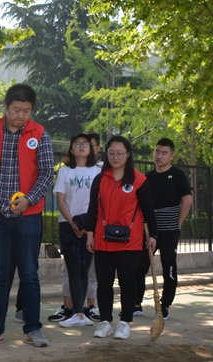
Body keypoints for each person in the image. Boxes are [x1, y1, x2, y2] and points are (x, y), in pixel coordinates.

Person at [0, 83, 54, 347]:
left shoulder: (39, 133)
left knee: (29, 273)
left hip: (28, 217)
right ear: (5, 106)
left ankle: (33, 329)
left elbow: (47, 173)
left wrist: (29, 199)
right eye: (17, 110)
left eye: (27, 111)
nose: (21, 116)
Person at [86, 135, 157, 340]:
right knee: (104, 283)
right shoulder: (100, 179)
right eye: (111, 153)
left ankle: (125, 322)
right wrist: (90, 233)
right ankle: (105, 322)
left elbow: (148, 210)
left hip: (130, 241)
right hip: (102, 239)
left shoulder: (139, 180)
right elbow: (93, 209)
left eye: (119, 153)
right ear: (106, 155)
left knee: (127, 282)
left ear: (128, 155)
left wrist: (153, 235)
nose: (115, 157)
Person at [134, 138, 192, 320]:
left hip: (169, 230)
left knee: (169, 267)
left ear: (171, 156)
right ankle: (136, 303)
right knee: (140, 265)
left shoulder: (178, 175)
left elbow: (187, 201)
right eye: (157, 151)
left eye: (164, 153)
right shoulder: (147, 178)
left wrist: (177, 222)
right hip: (149, 230)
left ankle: (165, 305)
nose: (159, 156)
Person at [48, 131, 102, 323]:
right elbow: (61, 200)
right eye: (77, 143)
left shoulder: (97, 171)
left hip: (90, 226)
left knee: (85, 271)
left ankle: (81, 314)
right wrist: (72, 222)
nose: (81, 146)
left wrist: (87, 226)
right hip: (67, 225)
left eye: (85, 143)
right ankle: (76, 313)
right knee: (72, 270)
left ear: (91, 148)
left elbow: (99, 201)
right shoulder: (64, 171)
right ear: (71, 149)